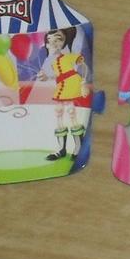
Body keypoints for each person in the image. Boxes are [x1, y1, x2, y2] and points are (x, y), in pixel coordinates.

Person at [38, 27, 88, 161]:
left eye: (58, 40)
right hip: (61, 86)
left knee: (71, 112)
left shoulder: (69, 56)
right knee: (58, 112)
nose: (53, 43)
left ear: (64, 42)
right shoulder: (51, 61)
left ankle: (78, 147)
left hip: (72, 84)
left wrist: (83, 83)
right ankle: (61, 148)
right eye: (49, 41)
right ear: (46, 44)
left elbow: (83, 66)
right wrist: (46, 77)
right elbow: (54, 75)